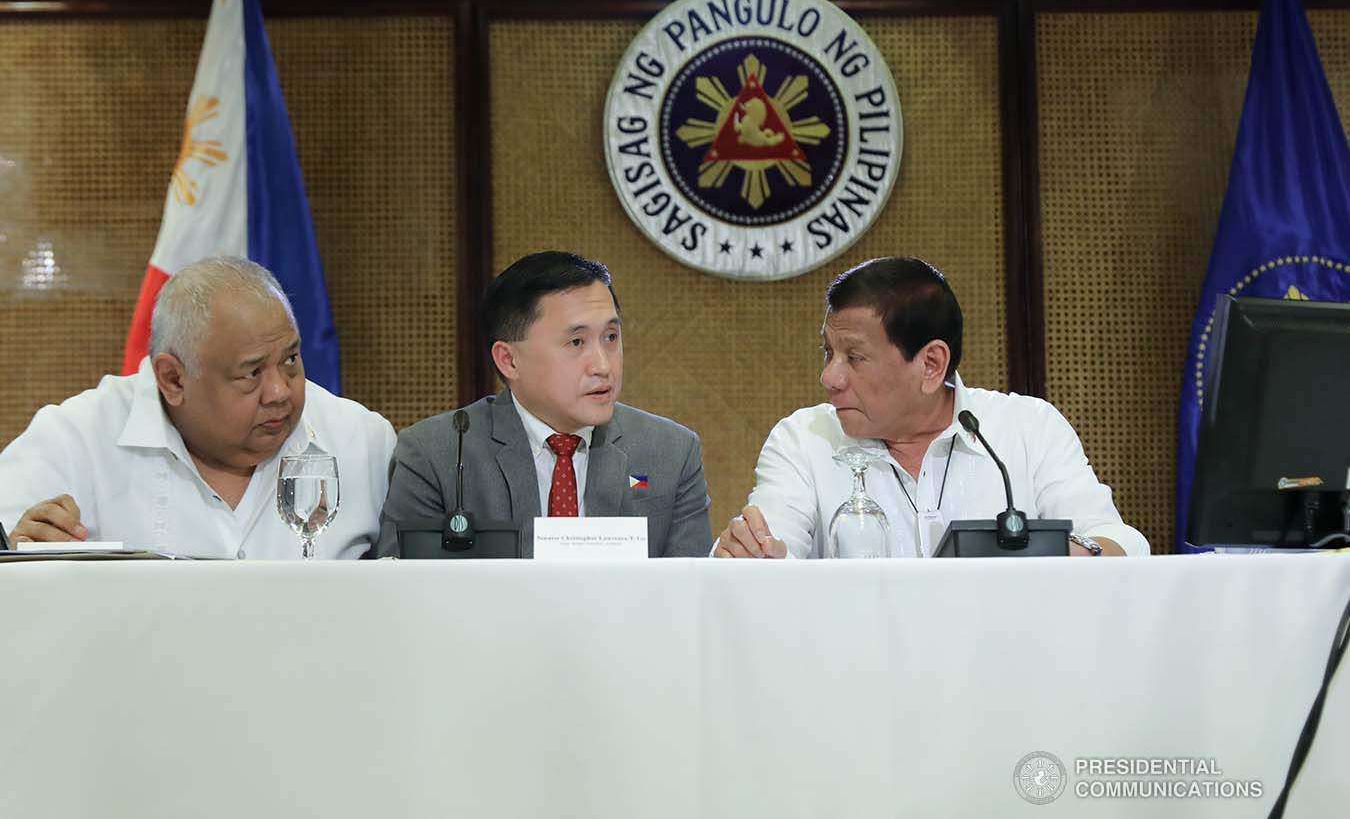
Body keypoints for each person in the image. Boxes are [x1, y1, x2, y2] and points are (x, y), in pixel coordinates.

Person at [714, 256, 1149, 559]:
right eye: (828, 352)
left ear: (931, 364)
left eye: (855, 357)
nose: (830, 377)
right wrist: (749, 551)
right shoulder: (805, 440)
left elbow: (1119, 542)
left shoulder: (1026, 429)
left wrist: (1068, 554)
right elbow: (772, 551)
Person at [0, 257, 395, 559]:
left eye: (290, 360)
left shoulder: (362, 442)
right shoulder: (72, 442)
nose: (280, 391)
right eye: (252, 372)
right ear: (173, 379)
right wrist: (19, 563)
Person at [376, 251, 712, 558]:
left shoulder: (671, 452)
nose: (603, 365)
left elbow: (689, 598)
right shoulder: (438, 453)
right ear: (508, 361)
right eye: (576, 342)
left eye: (611, 338)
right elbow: (403, 596)